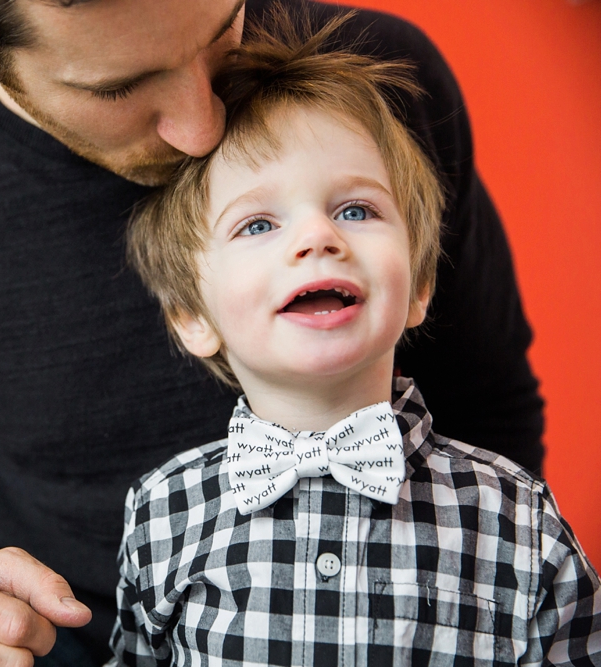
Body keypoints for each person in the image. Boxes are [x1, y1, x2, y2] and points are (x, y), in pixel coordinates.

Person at [0, 0, 545, 665]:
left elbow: (489, 399)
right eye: (120, 87)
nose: (204, 127)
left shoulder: (374, 74)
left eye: (224, 31)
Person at [110, 15, 600, 666]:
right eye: (258, 223)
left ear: (421, 284)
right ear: (192, 314)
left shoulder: (520, 520)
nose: (318, 238)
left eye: (355, 210)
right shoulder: (160, 515)